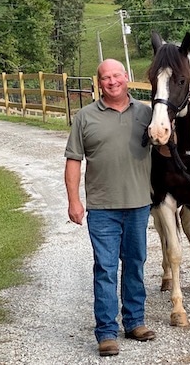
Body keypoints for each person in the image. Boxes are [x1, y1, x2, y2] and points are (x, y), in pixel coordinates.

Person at [64, 59, 155, 356]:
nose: (112, 81)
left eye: (117, 75)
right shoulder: (85, 117)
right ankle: (106, 332)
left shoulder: (146, 112)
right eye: (106, 78)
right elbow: (73, 161)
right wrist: (74, 200)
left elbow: (165, 147)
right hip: (102, 207)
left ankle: (135, 321)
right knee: (105, 269)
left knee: (135, 263)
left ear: (126, 78)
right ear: (99, 82)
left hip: (139, 203)